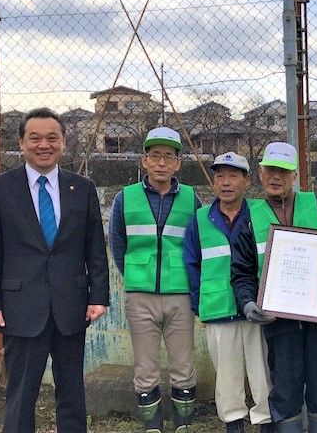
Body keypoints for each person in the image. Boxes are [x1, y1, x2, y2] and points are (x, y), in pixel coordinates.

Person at [0, 108, 110, 433]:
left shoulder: (83, 187)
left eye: (52, 138)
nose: (44, 145)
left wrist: (99, 296)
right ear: (21, 142)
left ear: (63, 142)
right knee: (21, 395)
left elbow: (94, 248)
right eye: (34, 138)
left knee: (72, 393)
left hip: (72, 306)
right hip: (20, 309)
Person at [230, 142, 317, 433]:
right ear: (260, 172)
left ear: (294, 175)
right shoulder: (249, 217)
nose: (276, 176)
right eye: (271, 169)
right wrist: (248, 304)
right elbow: (242, 273)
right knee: (285, 385)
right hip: (279, 322)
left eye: (283, 171)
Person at [109, 127, 200, 433]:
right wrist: (134, 275)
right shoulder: (125, 198)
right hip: (140, 295)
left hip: (180, 295)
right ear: (144, 160)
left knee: (183, 366)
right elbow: (117, 243)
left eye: (169, 157)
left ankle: (183, 426)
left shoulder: (191, 198)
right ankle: (153, 427)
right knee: (145, 368)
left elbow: (197, 244)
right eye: (156, 156)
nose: (162, 162)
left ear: (178, 163)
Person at [184, 152, 274, 433]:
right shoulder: (199, 219)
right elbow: (192, 263)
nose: (225, 182)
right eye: (220, 175)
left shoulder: (262, 213)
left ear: (247, 180)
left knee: (263, 373)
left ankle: (266, 423)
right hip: (218, 309)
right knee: (226, 376)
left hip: (257, 309)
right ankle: (234, 424)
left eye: (233, 175)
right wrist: (200, 305)